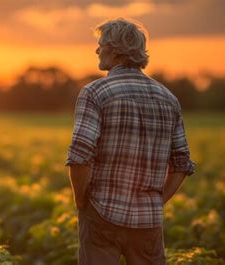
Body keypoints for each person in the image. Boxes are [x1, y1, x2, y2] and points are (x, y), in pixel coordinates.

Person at [65, 17, 195, 265]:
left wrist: (81, 201)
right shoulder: (168, 98)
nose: (97, 49)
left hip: (101, 213)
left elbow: (80, 156)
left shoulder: (95, 92)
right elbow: (182, 164)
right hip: (148, 220)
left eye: (101, 44)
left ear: (114, 51)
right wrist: (156, 201)